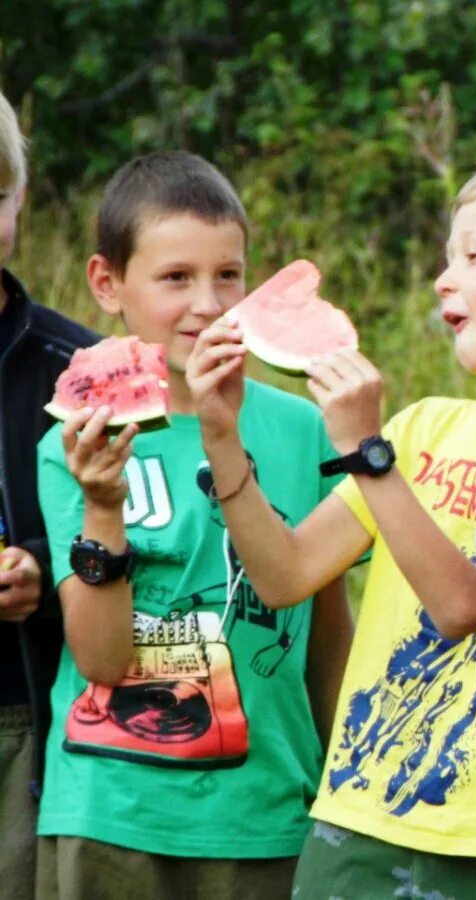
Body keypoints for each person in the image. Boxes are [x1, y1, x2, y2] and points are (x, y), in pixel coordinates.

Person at [187, 154, 476, 899]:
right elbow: (285, 576)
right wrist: (221, 438)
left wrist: (368, 455)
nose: (443, 278)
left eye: (471, 254)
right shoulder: (426, 427)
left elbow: (464, 604)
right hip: (354, 818)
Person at [34, 151, 353, 899]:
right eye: (176, 278)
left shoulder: (303, 431)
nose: (209, 304)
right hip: (108, 813)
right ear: (108, 285)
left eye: (229, 276)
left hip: (265, 812)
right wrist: (103, 506)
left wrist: (341, 778)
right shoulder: (72, 443)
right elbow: (102, 661)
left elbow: (327, 629)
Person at [0, 90, 97, 900]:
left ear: (21, 198)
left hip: (31, 721)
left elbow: (142, 532)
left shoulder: (82, 365)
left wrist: (41, 570)